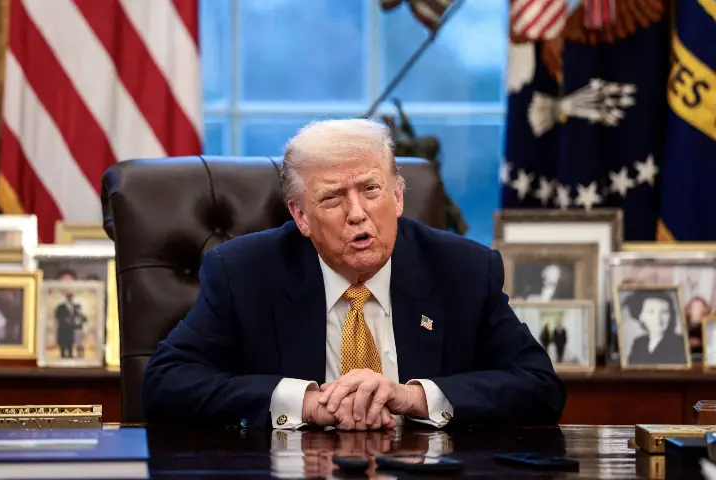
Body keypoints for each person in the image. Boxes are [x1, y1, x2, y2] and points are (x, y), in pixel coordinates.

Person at [142, 118, 565, 431]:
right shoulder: (243, 272)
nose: (357, 214)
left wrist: (413, 397)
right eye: (332, 198)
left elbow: (539, 387)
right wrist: (305, 403)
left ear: (397, 196)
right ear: (300, 216)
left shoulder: (464, 270)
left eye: (370, 189)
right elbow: (166, 383)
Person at [625, 290, 688, 365]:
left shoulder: (680, 343)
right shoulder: (638, 343)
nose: (658, 318)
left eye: (664, 312)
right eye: (651, 312)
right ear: (640, 316)